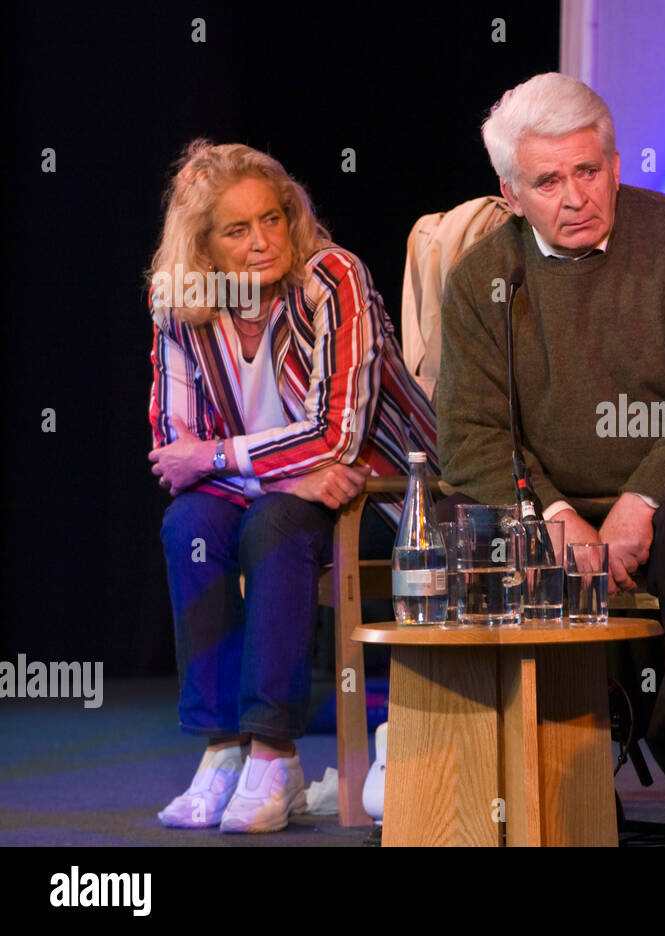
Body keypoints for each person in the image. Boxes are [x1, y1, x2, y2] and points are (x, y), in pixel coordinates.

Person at [437, 73, 665, 846]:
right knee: (475, 534)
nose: (575, 197)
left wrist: (643, 497)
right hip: (548, 500)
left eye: (589, 171)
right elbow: (470, 434)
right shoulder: (483, 279)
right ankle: (560, 780)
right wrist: (552, 514)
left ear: (616, 165)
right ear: (512, 194)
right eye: (548, 181)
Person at [147, 140, 438, 833]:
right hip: (266, 490)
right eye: (237, 230)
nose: (260, 243)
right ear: (204, 248)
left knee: (271, 522)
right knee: (187, 524)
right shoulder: (179, 307)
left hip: (384, 490)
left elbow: (335, 437)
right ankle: (222, 748)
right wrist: (271, 466)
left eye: (272, 219)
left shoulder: (331, 279)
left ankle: (274, 752)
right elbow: (171, 445)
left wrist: (221, 456)